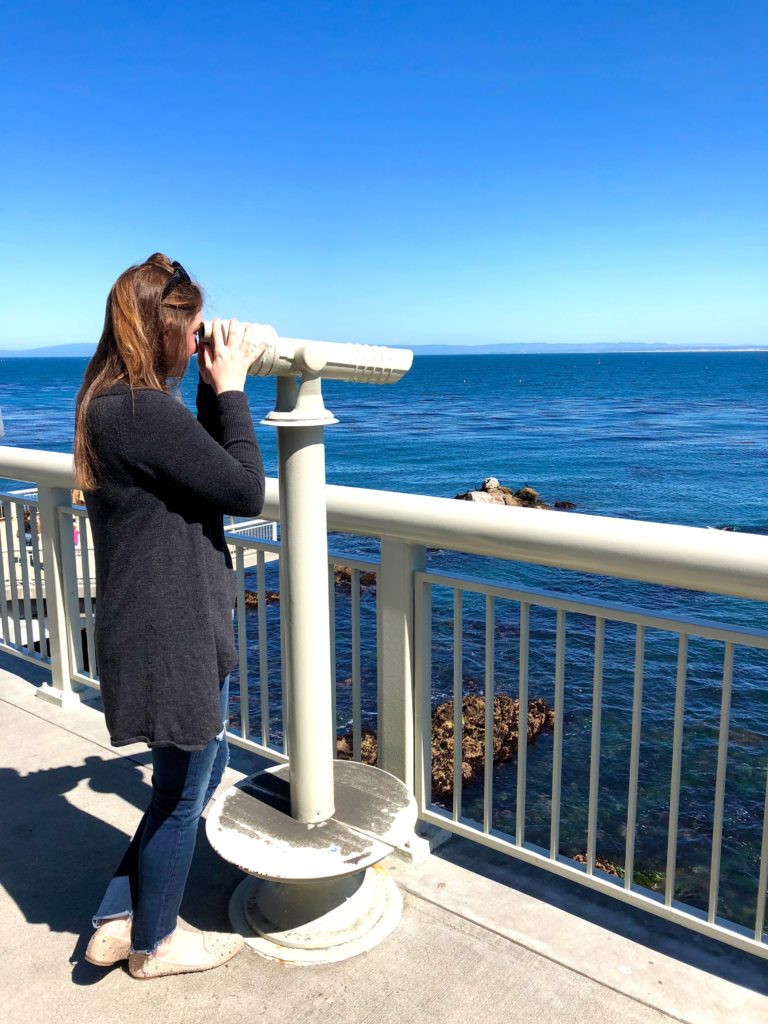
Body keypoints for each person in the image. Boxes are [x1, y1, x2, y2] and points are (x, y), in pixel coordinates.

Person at [73, 253, 267, 979]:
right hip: (172, 634)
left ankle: (116, 918)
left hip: (152, 625)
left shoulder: (109, 404)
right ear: (161, 332)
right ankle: (156, 944)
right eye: (189, 332)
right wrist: (235, 387)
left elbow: (207, 478)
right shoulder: (143, 412)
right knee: (186, 795)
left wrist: (213, 390)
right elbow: (245, 490)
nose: (197, 346)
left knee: (184, 778)